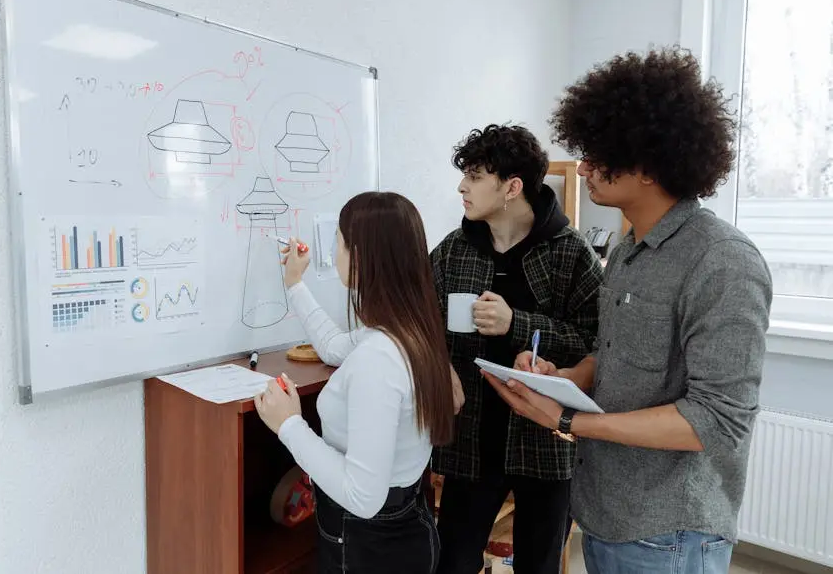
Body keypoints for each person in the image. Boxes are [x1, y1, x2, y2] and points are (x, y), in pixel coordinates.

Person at [483, 46, 773, 574]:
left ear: (649, 162)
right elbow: (613, 354)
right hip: (606, 512)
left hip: (669, 531)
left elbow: (716, 420)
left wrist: (568, 418)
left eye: (600, 153)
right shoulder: (626, 253)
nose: (585, 168)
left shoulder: (723, 262)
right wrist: (564, 377)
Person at [430, 124, 604, 574]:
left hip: (546, 445)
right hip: (469, 442)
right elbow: (421, 321)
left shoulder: (571, 254)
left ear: (512, 187)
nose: (461, 187)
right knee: (452, 562)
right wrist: (438, 365)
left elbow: (597, 344)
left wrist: (516, 324)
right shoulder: (453, 251)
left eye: (474, 176)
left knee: (539, 565)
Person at [253, 191, 455, 574]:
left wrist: (289, 425)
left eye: (339, 242)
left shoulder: (378, 359)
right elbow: (332, 347)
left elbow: (362, 497)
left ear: (360, 257)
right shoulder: (409, 332)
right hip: (405, 529)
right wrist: (295, 283)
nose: (335, 250)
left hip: (371, 548)